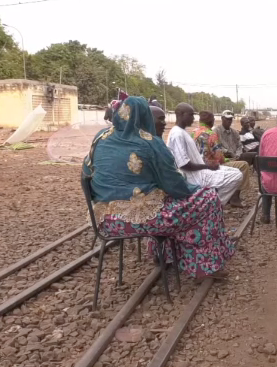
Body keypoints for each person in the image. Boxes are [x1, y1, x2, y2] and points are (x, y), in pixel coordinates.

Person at [82, 97, 235, 279]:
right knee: (207, 198)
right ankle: (205, 265)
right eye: (160, 119)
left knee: (163, 200)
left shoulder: (100, 137)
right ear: (144, 117)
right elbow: (177, 187)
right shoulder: (150, 142)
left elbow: (85, 173)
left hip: (105, 221)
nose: (163, 123)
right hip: (139, 222)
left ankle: (164, 254)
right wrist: (194, 190)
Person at [166, 103, 243, 206]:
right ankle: (213, 205)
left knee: (235, 171)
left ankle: (212, 201)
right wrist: (207, 166)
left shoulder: (189, 132)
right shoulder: (177, 134)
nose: (194, 118)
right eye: (191, 115)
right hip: (197, 177)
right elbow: (183, 164)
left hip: (201, 169)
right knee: (237, 175)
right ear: (181, 114)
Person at [192, 111, 252, 208]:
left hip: (198, 166)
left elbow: (239, 146)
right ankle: (234, 198)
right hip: (212, 165)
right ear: (213, 121)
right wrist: (229, 160)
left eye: (230, 119)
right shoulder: (211, 133)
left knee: (241, 161)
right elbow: (219, 158)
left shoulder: (193, 133)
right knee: (243, 165)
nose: (229, 121)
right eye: (227, 119)